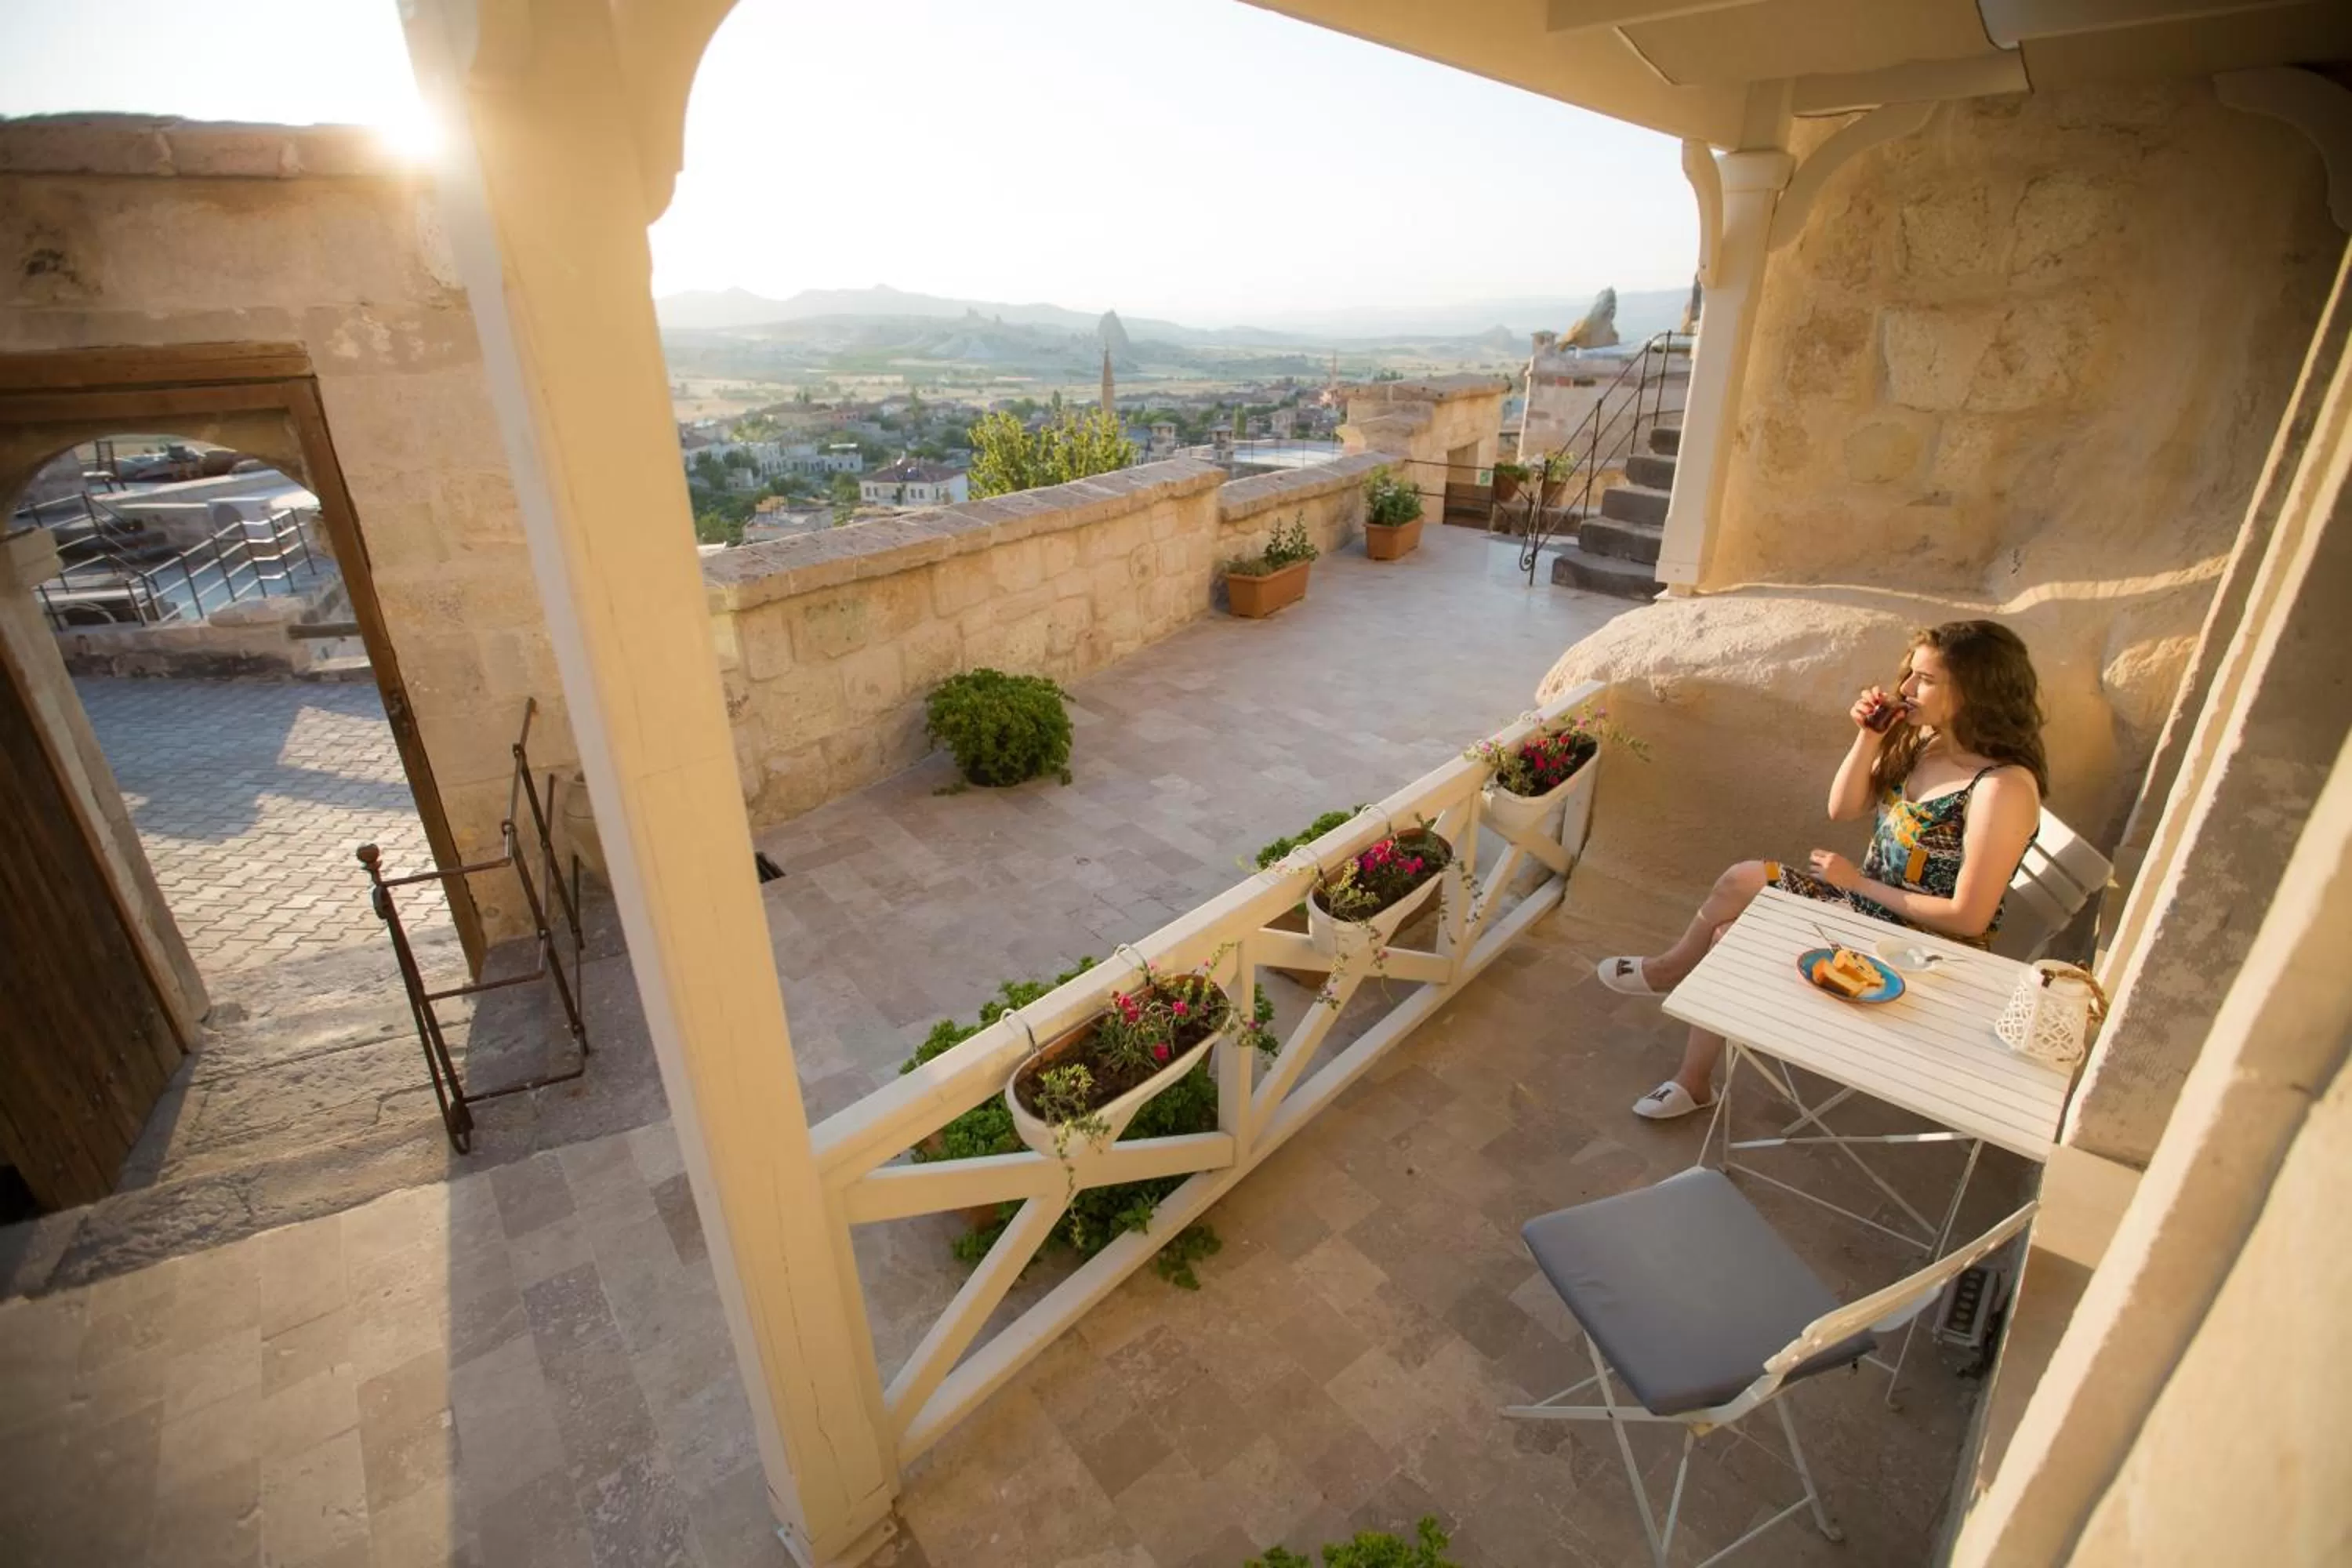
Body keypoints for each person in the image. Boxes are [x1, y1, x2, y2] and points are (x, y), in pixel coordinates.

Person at [1595, 619, 2049, 1120]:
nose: (1905, 689)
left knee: (1730, 938)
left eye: (1925, 679)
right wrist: (1869, 739)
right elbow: (1843, 807)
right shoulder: (1932, 744)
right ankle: (1672, 972)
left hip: (1924, 950)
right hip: (1866, 909)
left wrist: (1857, 883)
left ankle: (1693, 1079)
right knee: (1740, 879)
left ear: (1976, 690)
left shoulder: (1999, 789)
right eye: (1910, 675)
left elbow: (1968, 919)